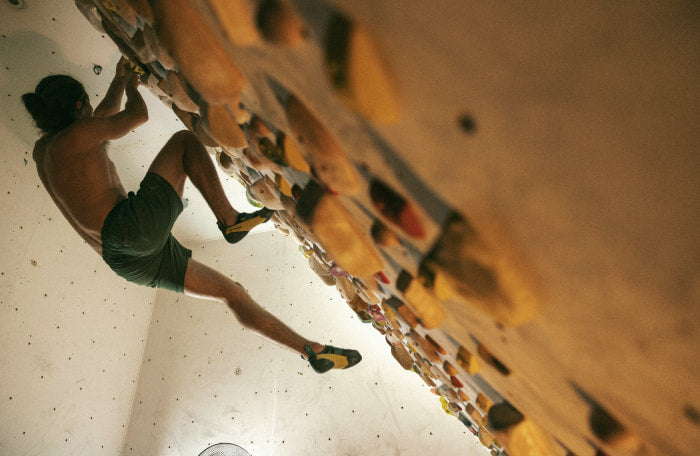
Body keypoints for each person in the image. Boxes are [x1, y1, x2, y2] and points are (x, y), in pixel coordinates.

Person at [22, 57, 361, 374]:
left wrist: (117, 79)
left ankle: (311, 351)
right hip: (128, 230)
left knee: (233, 293)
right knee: (184, 142)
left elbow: (98, 121)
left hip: (126, 261)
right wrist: (131, 87)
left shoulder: (45, 153)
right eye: (87, 105)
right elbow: (135, 116)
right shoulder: (79, 135)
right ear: (79, 106)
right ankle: (229, 219)